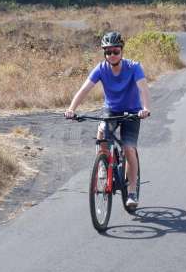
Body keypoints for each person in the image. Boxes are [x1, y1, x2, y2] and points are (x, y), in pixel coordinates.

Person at [65, 31, 151, 209]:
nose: (112, 55)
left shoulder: (134, 67)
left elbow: (143, 89)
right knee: (102, 132)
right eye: (108, 52)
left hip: (132, 112)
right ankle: (103, 164)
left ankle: (132, 190)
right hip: (111, 109)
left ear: (122, 51)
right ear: (104, 54)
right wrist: (72, 109)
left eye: (115, 51)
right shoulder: (101, 68)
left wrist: (145, 108)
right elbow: (84, 89)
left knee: (128, 148)